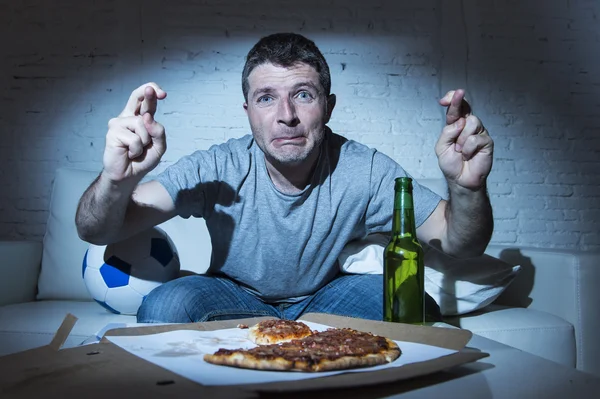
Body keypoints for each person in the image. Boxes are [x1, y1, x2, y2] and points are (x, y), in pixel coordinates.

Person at [75, 32, 494, 323]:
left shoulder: (365, 170)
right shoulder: (217, 167)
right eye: (266, 98)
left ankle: (304, 342)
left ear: (327, 107)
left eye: (303, 95)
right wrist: (116, 179)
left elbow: (459, 241)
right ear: (248, 112)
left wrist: (466, 188)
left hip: (328, 297)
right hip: (232, 295)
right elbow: (96, 229)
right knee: (163, 309)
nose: (286, 115)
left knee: (412, 305)